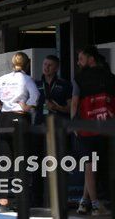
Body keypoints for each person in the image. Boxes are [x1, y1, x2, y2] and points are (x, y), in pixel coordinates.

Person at [0, 51, 39, 213]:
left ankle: (3, 201)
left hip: (4, 119)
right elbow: (35, 95)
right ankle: (22, 201)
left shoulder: (3, 79)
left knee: (4, 162)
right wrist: (28, 106)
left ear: (12, 64)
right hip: (20, 119)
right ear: (27, 64)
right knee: (21, 161)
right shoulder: (26, 79)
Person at [71, 46, 115, 216]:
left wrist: (74, 124)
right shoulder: (110, 78)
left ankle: (95, 204)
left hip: (86, 127)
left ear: (91, 59)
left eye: (81, 59)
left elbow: (75, 103)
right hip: (106, 127)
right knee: (95, 165)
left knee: (89, 164)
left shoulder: (80, 78)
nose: (78, 62)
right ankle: (84, 201)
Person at [34, 55, 73, 126]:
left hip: (59, 126)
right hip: (40, 124)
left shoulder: (65, 84)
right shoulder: (36, 84)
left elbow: (71, 108)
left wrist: (56, 107)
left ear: (56, 68)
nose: (46, 67)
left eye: (50, 65)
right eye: (45, 64)